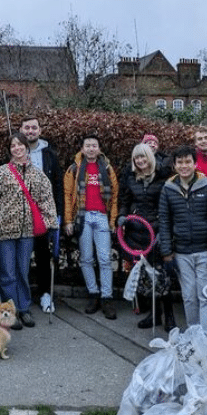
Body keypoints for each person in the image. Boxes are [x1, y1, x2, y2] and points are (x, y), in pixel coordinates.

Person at [0, 134, 57, 330]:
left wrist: (49, 222)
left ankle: (24, 308)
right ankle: (9, 312)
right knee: (7, 273)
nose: (17, 148)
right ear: (10, 150)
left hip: (27, 232)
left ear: (26, 147)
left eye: (20, 145)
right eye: (13, 145)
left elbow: (46, 199)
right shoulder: (2, 172)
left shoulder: (37, 174)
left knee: (23, 271)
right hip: (4, 231)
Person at [158, 145, 207, 336]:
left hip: (206, 250)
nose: (184, 166)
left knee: (205, 296)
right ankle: (193, 337)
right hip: (181, 252)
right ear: (174, 165)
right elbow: (164, 222)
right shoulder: (168, 189)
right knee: (189, 297)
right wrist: (166, 253)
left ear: (195, 164)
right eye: (180, 162)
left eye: (188, 161)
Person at [117, 143, 176, 332]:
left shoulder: (163, 177)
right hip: (137, 233)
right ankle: (154, 315)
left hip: (157, 232)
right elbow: (125, 200)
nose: (140, 160)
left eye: (143, 156)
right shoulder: (131, 177)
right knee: (146, 276)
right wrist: (121, 216)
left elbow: (168, 206)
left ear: (149, 157)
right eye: (137, 158)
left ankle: (169, 315)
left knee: (161, 276)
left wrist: (163, 230)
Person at [64, 134, 119, 320]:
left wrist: (112, 221)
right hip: (83, 217)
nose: (90, 148)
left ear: (99, 148)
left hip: (102, 216)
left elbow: (114, 196)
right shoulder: (74, 169)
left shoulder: (107, 168)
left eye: (94, 145)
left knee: (104, 259)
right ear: (82, 149)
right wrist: (68, 221)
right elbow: (68, 195)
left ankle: (106, 297)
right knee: (86, 258)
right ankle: (93, 294)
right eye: (87, 145)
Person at [21, 116, 63, 313]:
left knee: (43, 255)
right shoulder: (16, 151)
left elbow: (58, 185)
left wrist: (58, 213)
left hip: (43, 213)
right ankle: (21, 296)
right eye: (27, 128)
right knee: (22, 256)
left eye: (34, 128)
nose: (30, 131)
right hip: (21, 212)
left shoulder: (50, 154)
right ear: (22, 130)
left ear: (39, 130)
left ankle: (45, 294)